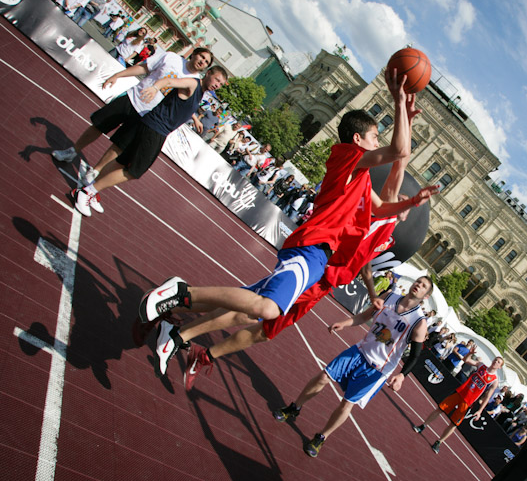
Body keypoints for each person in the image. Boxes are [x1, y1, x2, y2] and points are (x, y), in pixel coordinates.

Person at [138, 69, 440, 380]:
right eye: (374, 136)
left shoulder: (363, 183)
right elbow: (399, 154)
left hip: (321, 259)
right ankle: (180, 295)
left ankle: (178, 330)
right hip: (314, 249)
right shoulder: (347, 157)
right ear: (357, 139)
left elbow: (383, 203)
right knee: (264, 310)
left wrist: (412, 202)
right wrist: (401, 104)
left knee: (254, 310)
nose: (378, 142)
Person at [272, 276, 433, 458]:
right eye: (418, 282)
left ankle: (321, 437)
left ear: (426, 296)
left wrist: (402, 376)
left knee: (347, 402)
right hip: (360, 350)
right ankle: (295, 407)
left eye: (423, 286)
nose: (418, 285)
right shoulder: (389, 296)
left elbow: (415, 355)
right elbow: (365, 316)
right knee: (324, 376)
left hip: (378, 369)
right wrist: (345, 322)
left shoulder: (419, 322)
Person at [51, 47, 213, 211]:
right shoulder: (172, 58)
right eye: (202, 56)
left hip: (148, 115)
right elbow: (144, 67)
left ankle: (95, 172)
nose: (202, 61)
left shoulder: (195, 81)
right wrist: (117, 75)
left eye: (206, 62)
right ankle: (72, 151)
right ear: (194, 54)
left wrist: (193, 117)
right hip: (133, 99)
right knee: (99, 126)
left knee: (120, 146)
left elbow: (181, 105)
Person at [412, 355, 504, 454]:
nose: (496, 362)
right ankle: (423, 425)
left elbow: (487, 397)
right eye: (496, 360)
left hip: (468, 402)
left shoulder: (494, 380)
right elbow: (466, 360)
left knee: (454, 424)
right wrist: (470, 353)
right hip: (460, 392)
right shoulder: (481, 366)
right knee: (440, 409)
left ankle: (439, 442)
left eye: (499, 362)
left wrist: (480, 411)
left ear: (499, 367)